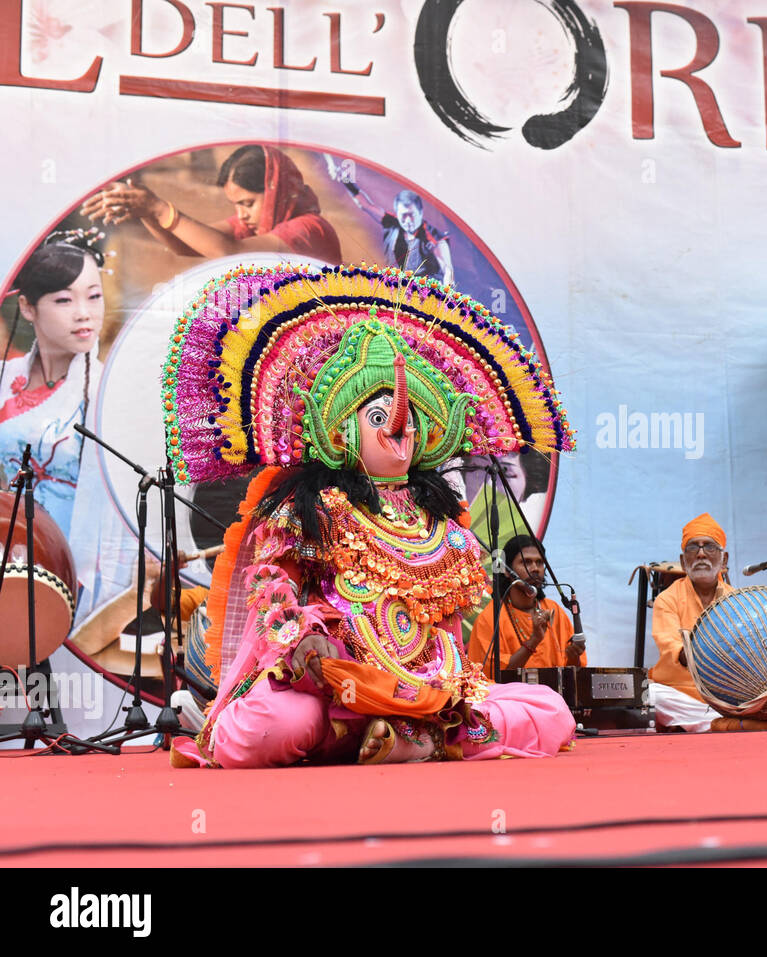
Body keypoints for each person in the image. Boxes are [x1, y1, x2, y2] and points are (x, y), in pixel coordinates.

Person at [166, 262, 577, 767]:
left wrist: (446, 689)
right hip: (329, 685)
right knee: (274, 726)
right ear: (339, 430)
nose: (398, 432)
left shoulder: (443, 523)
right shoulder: (310, 509)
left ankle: (411, 733)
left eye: (409, 420)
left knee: (553, 710)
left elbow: (449, 633)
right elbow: (272, 583)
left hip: (425, 691)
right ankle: (399, 738)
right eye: (379, 418)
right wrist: (302, 635)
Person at [0, 230, 105, 532]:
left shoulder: (106, 389)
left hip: (78, 552)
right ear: (27, 307)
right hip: (13, 543)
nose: (84, 314)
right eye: (64, 300)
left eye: (94, 297)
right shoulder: (5, 378)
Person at [79, 144, 342, 264]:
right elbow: (183, 245)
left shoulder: (309, 229)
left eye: (248, 203)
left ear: (277, 191)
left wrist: (157, 208)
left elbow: (228, 251)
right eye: (236, 205)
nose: (241, 215)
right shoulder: (254, 226)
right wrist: (144, 210)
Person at [647, 513, 733, 732]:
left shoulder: (737, 602)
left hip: (729, 694)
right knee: (651, 695)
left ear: (724, 560)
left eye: (710, 547)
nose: (701, 554)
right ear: (684, 561)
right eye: (693, 548)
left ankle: (716, 721)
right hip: (681, 693)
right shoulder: (667, 599)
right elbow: (672, 649)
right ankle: (724, 723)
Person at [467, 534, 585, 673]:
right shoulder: (491, 618)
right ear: (507, 571)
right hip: (510, 694)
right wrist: (534, 640)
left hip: (554, 694)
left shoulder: (554, 610)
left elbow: (572, 672)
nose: (535, 568)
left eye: (539, 562)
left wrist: (574, 656)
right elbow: (492, 675)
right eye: (526, 562)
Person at [336, 180, 453, 283]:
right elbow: (365, 205)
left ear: (421, 212)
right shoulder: (392, 222)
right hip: (393, 290)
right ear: (397, 213)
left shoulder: (435, 238)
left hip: (423, 296)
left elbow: (448, 270)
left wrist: (445, 298)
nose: (408, 220)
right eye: (403, 215)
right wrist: (347, 182)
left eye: (411, 215)